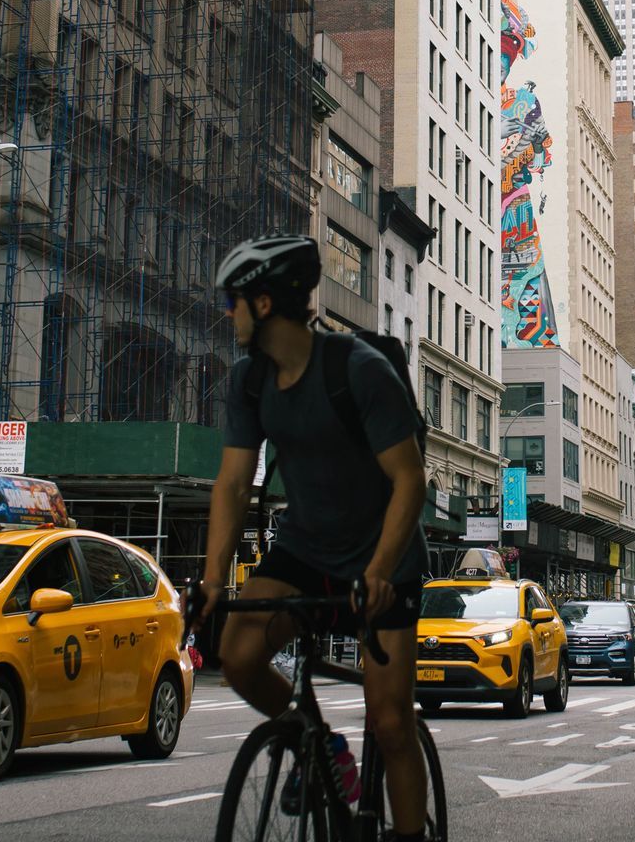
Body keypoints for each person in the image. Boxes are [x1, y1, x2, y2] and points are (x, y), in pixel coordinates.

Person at [198, 235, 430, 842]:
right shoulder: (249, 382)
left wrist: (379, 571)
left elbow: (410, 481)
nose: (230, 312)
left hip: (385, 556)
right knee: (238, 654)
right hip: (305, 545)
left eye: (235, 300)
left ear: (266, 303)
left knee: (391, 721)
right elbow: (231, 485)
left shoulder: (359, 370)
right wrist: (212, 583)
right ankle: (321, 743)